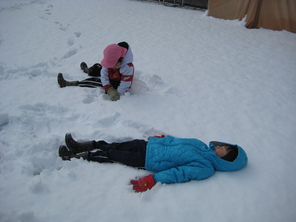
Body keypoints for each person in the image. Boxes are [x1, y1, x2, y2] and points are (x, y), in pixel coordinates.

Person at [58, 133, 248, 192]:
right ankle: (80, 146)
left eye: (225, 151)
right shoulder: (200, 144)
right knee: (112, 145)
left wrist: (154, 179)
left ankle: (75, 157)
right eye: (225, 146)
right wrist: (161, 138)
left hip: (146, 159)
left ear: (225, 161)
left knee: (111, 155)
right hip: (147, 145)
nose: (221, 147)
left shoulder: (205, 168)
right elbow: (176, 141)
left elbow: (179, 174)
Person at [57, 41, 134, 101]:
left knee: (96, 81)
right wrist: (107, 85)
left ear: (121, 60)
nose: (110, 66)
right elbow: (104, 73)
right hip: (111, 74)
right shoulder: (115, 55)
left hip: (116, 82)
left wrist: (113, 91)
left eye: (112, 64)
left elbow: (125, 84)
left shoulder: (127, 68)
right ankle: (89, 71)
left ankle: (71, 83)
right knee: (97, 67)